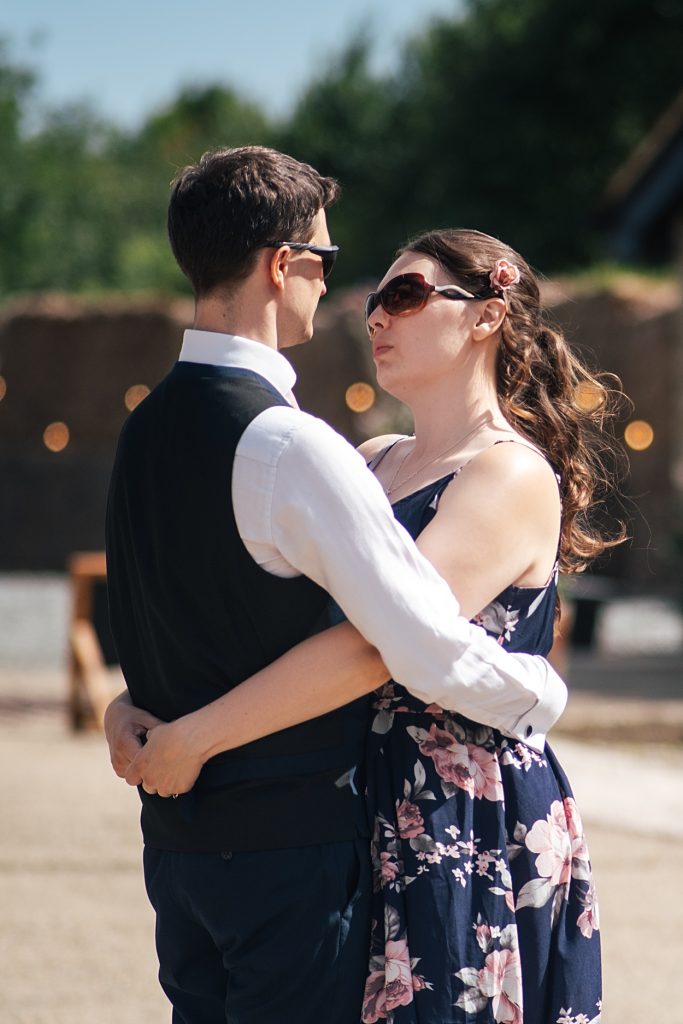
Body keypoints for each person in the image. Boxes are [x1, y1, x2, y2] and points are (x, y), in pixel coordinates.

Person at [105, 148, 568, 1024]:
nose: (368, 312)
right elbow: (262, 612)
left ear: (486, 318)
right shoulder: (355, 458)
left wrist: (176, 727)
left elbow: (375, 647)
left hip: (449, 814)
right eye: (359, 287)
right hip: (350, 809)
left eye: (403, 295)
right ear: (282, 266)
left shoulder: (505, 476)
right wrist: (530, 688)